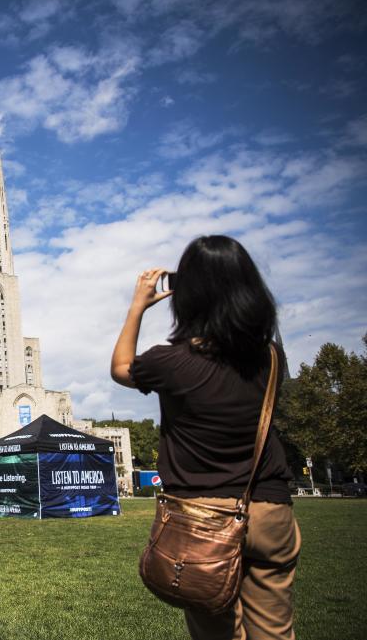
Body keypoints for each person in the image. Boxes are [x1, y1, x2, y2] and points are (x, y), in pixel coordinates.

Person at [110, 235, 300, 640]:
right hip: (269, 510)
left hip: (202, 516)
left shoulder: (172, 362)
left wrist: (137, 306)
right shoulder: (271, 355)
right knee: (275, 631)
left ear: (187, 294)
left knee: (217, 632)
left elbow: (121, 367)